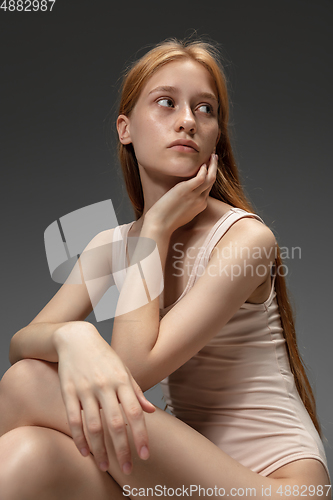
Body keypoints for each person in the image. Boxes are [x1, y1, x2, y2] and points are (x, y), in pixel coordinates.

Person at [0, 38, 330, 500]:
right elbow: (22, 344)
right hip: (179, 482)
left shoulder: (246, 241)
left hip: (276, 489)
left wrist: (154, 227)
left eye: (205, 109)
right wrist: (70, 335)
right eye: (166, 103)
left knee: (27, 385)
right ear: (125, 129)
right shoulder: (108, 247)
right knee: (24, 455)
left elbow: (135, 369)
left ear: (217, 136)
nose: (188, 120)